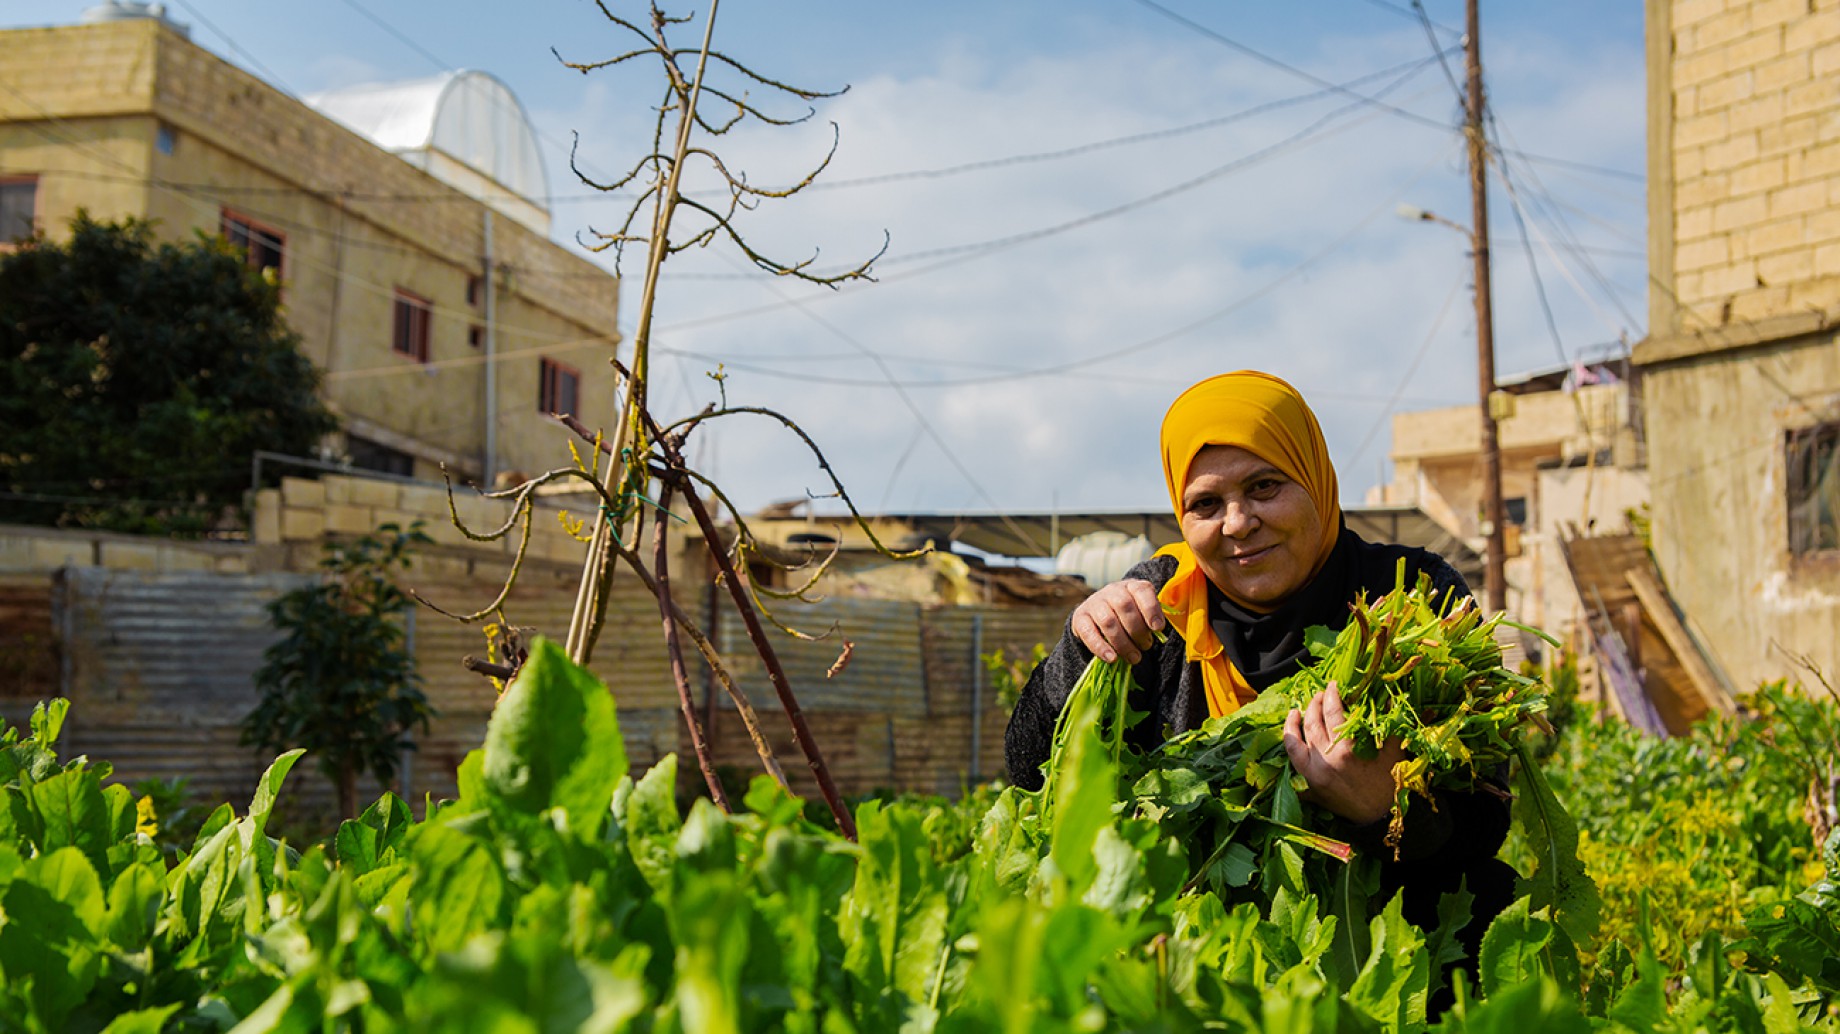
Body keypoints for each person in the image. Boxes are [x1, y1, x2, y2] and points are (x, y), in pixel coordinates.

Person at [1004, 370, 1515, 973]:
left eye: (1265, 486)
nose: (1238, 522)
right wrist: (1080, 648)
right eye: (1205, 504)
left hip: (1392, 961)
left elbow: (1486, 819)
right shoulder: (1160, 606)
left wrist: (1387, 811)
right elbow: (1031, 773)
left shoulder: (1415, 597)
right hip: (1198, 962)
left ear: (1314, 476)